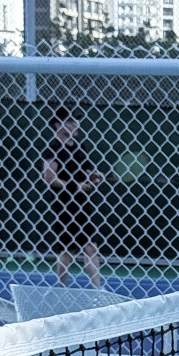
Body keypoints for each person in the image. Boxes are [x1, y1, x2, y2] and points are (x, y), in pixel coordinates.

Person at [43, 106, 105, 288]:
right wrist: (74, 186)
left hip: (82, 204)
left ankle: (97, 291)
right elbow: (49, 177)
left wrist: (94, 176)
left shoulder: (79, 147)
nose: (75, 124)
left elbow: (86, 171)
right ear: (57, 124)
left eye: (76, 120)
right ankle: (61, 287)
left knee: (90, 247)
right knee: (67, 250)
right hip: (63, 205)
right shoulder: (53, 148)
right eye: (70, 121)